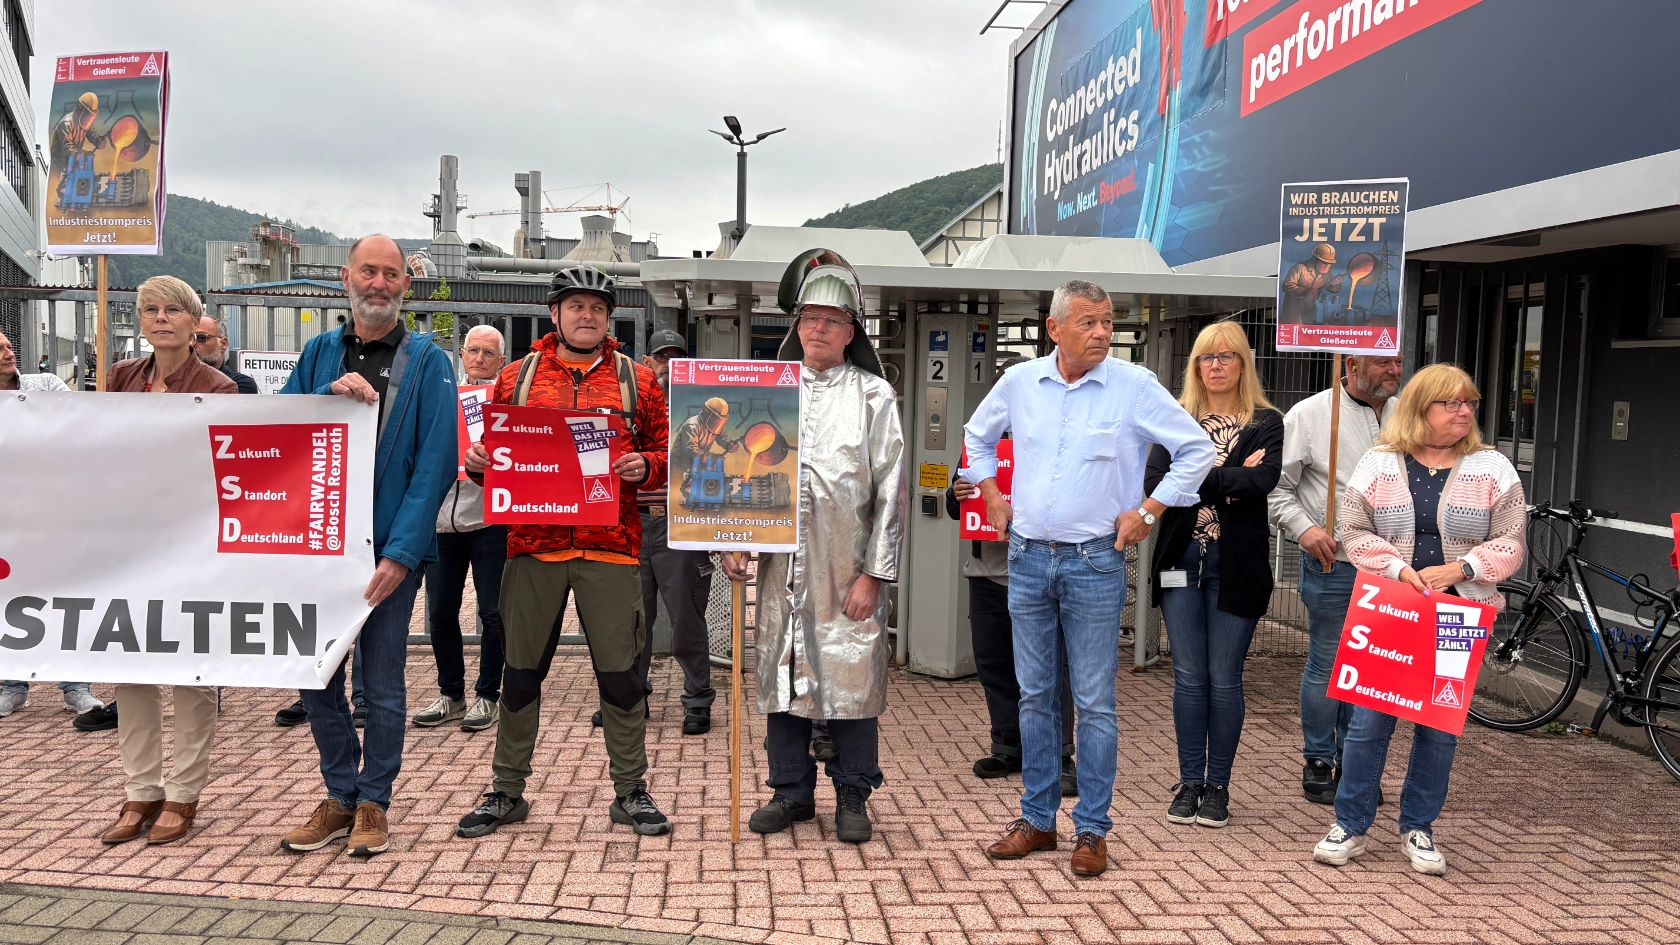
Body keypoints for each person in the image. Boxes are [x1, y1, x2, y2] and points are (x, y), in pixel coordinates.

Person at [966, 279, 1215, 877]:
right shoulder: (1021, 382)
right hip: (1026, 558)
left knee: (1096, 702)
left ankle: (1093, 831)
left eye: (1108, 321)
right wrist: (992, 496)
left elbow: (1196, 450)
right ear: (1054, 329)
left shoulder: (1133, 386)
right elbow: (976, 437)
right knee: (1034, 696)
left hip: (1095, 563)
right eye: (1088, 322)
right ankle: (1038, 820)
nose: (1102, 332)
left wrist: (1151, 509)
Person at [452, 266, 672, 839]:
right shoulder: (515, 378)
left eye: (597, 307)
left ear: (610, 317)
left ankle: (631, 791)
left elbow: (670, 450)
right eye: (575, 306)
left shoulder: (639, 381)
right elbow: (489, 458)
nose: (587, 316)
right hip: (533, 548)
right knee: (520, 675)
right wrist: (477, 465)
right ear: (555, 314)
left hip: (612, 549)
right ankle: (506, 790)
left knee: (622, 678)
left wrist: (646, 465)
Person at [276, 235, 457, 859]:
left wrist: (402, 553)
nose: (380, 283)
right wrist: (328, 395)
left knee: (381, 684)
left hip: (386, 554)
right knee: (317, 676)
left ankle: (375, 800)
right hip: (318, 547)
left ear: (406, 285)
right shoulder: (319, 352)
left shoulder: (429, 360)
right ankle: (340, 793)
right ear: (346, 277)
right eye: (369, 272)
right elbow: (282, 431)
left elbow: (436, 462)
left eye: (392, 274)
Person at [720, 250, 905, 844]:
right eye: (810, 318)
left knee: (851, 682)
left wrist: (873, 574)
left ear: (851, 331)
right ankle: (791, 792)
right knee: (779, 679)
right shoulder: (766, 393)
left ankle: (853, 793)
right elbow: (733, 474)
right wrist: (730, 541)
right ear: (795, 325)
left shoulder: (875, 396)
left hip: (845, 568)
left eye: (833, 319)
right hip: (778, 569)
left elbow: (892, 492)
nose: (820, 328)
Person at [1312, 364, 1526, 875]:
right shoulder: (1379, 462)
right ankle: (1351, 824)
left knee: (1439, 727)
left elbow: (1513, 540)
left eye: (1468, 403)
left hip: (1460, 612)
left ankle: (1418, 827)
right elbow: (1354, 528)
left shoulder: (1494, 468)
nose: (1463, 411)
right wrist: (1399, 567)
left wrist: (1463, 567)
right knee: (1368, 724)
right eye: (1450, 403)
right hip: (1392, 609)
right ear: (1419, 409)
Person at [97, 276, 238, 846]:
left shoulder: (219, 387)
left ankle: (184, 793)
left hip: (190, 543)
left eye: (173, 310)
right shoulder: (120, 378)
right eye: (150, 309)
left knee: (189, 672)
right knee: (130, 669)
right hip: (130, 541)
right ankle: (140, 791)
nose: (161, 319)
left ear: (192, 320)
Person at [1144, 322, 1283, 829]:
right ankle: (1189, 783)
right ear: (1195, 366)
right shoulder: (1174, 419)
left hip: (1236, 566)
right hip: (1182, 562)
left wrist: (1195, 477)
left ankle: (1218, 786)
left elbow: (1263, 480)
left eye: (1227, 356)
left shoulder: (1267, 422)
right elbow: (1158, 483)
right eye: (1207, 357)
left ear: (1243, 363)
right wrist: (1230, 478)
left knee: (1224, 679)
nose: (1217, 364)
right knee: (1188, 678)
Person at [1268, 354, 1402, 803]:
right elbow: (1276, 488)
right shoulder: (1309, 415)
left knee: (1374, 671)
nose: (1395, 370)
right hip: (1335, 563)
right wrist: (1304, 529)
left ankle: (1357, 763)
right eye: (1384, 362)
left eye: (1399, 360)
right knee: (1329, 665)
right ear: (1351, 363)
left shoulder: (1409, 414)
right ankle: (1320, 758)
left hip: (1395, 569)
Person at [946, 356, 1079, 794]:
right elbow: (955, 506)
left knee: (1047, 668)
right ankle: (1008, 746)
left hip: (1037, 570)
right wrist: (958, 491)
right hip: (984, 571)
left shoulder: (1056, 437)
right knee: (994, 662)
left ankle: (1059, 756)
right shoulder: (981, 439)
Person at [0, 329, 106, 725]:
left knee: (65, 595)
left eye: (10, 345)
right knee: (9, 597)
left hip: (53, 511)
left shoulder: (44, 384)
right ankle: (13, 687)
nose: (8, 353)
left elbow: (76, 425)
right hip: (6, 514)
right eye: (0, 350)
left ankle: (76, 687)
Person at [413, 325, 509, 732]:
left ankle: (489, 696)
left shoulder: (507, 404)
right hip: (441, 525)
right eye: (474, 350)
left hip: (489, 522)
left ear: (502, 362)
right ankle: (451, 694)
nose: (481, 359)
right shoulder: (444, 398)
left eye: (490, 352)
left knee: (493, 613)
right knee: (439, 612)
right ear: (462, 353)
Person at [631, 328, 717, 736]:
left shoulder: (698, 414)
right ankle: (632, 697)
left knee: (686, 618)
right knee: (632, 619)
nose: (668, 366)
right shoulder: (629, 401)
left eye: (676, 358)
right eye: (661, 358)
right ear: (647, 363)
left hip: (679, 523)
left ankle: (698, 700)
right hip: (632, 520)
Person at [192, 315, 259, 394]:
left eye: (201, 338)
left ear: (223, 344)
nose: (192, 344)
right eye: (188, 338)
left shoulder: (239, 384)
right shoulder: (176, 381)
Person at [1280, 244, 1343, 325]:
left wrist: (1336, 284)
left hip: (1312, 314)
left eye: (1329, 263)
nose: (1327, 265)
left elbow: (1331, 288)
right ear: (1315, 258)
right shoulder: (1299, 268)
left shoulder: (1326, 274)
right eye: (1324, 262)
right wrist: (1304, 292)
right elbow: (1287, 285)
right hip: (1295, 312)